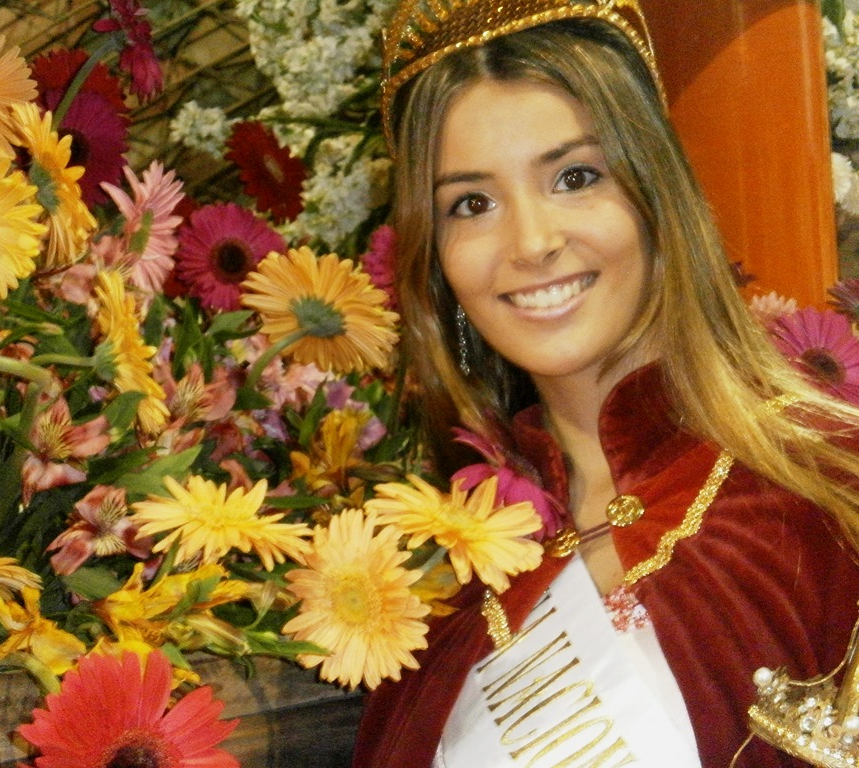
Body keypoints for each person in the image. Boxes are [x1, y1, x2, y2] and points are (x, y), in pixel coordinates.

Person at [352, 0, 859, 766]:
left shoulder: (827, 488)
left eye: (575, 176)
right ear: (438, 261)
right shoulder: (448, 584)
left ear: (658, 198)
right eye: (473, 204)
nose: (532, 242)